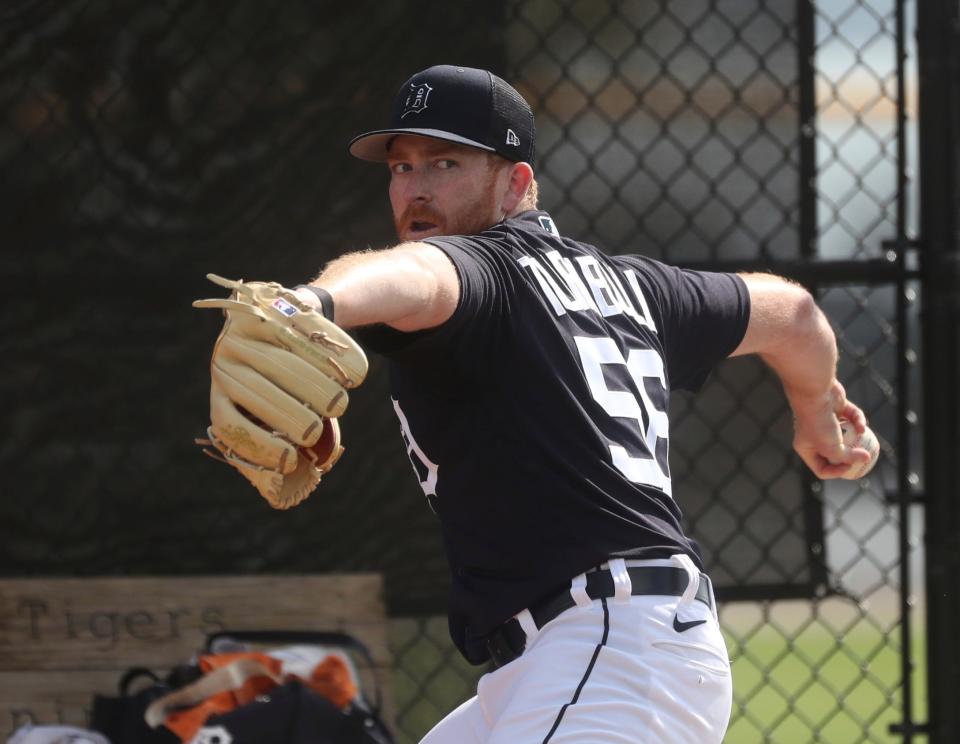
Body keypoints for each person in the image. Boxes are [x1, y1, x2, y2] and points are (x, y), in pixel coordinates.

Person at [291, 65, 872, 743]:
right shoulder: (637, 287)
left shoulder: (482, 271)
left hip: (610, 654)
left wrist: (309, 303)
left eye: (445, 163)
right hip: (582, 659)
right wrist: (816, 410)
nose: (415, 188)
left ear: (517, 184)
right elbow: (794, 315)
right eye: (401, 166)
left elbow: (417, 277)